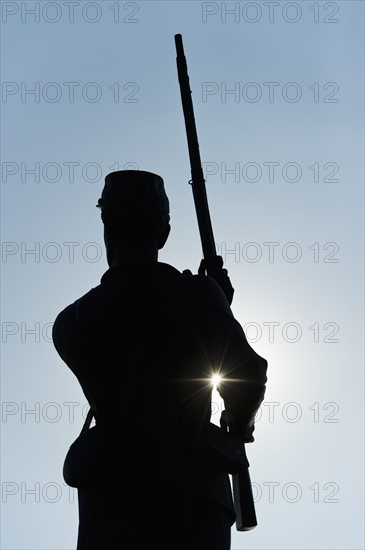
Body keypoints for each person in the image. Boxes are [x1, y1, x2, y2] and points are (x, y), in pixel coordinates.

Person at [52, 169, 268, 550]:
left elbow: (138, 340)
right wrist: (237, 425)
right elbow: (248, 377)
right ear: (163, 232)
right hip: (191, 503)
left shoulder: (72, 322)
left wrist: (211, 305)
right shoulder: (197, 297)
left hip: (111, 506)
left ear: (107, 223)